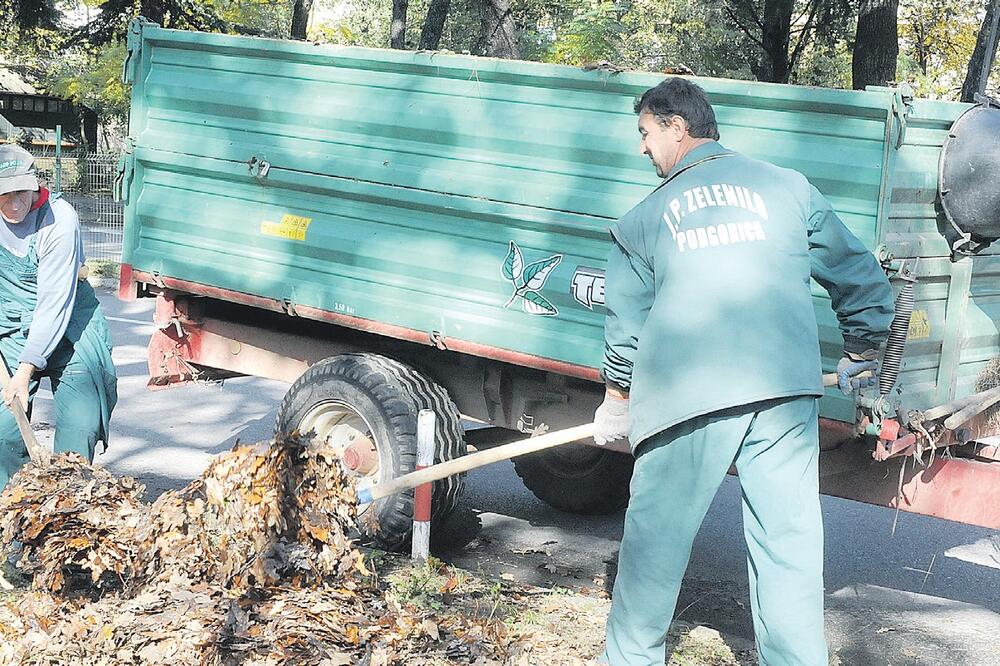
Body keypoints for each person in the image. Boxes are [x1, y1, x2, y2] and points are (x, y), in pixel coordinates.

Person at [592, 79, 894, 665]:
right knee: (788, 548)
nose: (642, 149)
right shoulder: (788, 189)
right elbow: (858, 273)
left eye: (646, 133)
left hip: (687, 398)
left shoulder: (644, 219)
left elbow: (625, 326)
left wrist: (616, 399)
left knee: (654, 550)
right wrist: (860, 349)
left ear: (677, 127)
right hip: (785, 393)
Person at [0, 144, 117, 489]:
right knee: (4, 434)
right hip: (10, 328)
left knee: (78, 431)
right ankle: (12, 527)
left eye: (22, 192)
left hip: (70, 328)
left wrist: (25, 371)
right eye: (5, 195)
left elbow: (54, 304)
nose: (16, 202)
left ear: (34, 185)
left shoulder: (59, 219)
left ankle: (68, 518)